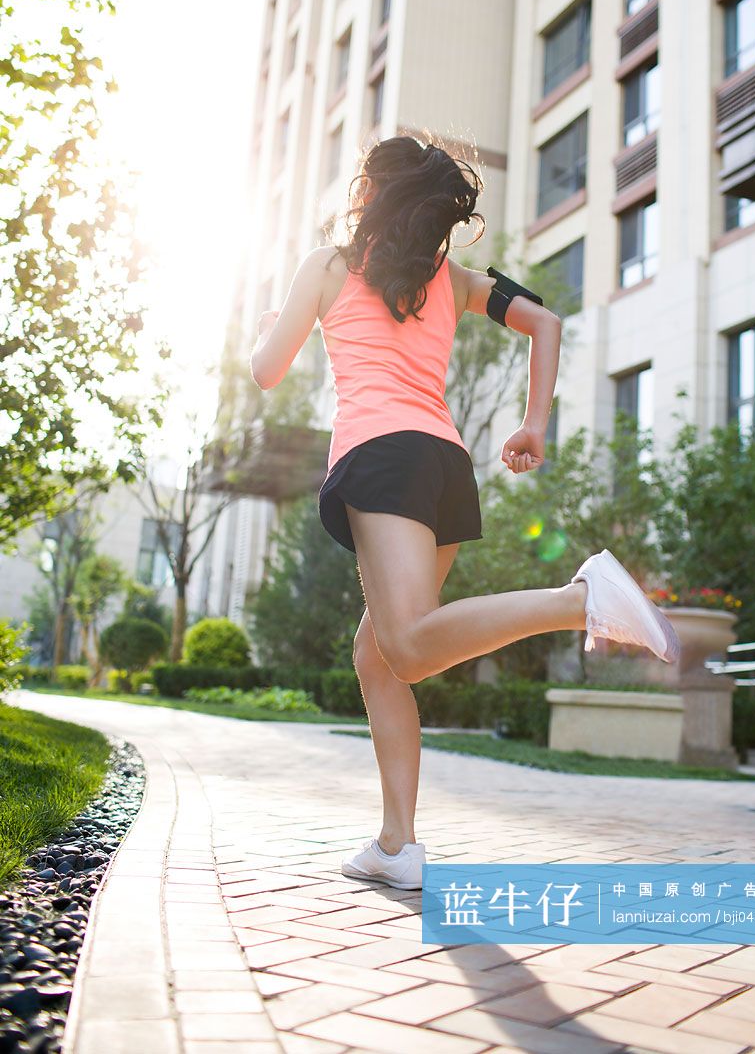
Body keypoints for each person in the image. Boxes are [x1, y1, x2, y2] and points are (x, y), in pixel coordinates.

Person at [250, 133, 679, 891]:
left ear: (369, 194)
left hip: (382, 459)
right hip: (444, 466)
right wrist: (532, 423)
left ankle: (579, 599)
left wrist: (273, 315)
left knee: (408, 646)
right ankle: (397, 843)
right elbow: (544, 322)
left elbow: (264, 369)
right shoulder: (450, 279)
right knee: (376, 658)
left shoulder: (328, 265)